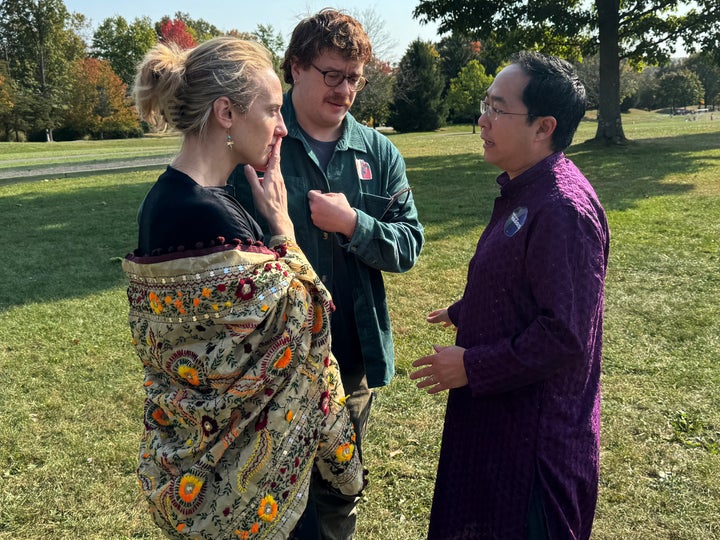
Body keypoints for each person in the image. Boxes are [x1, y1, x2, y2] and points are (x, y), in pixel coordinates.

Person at [123, 36, 364, 539]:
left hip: (204, 469)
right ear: (226, 113)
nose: (281, 126)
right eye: (272, 110)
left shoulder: (163, 200)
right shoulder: (209, 215)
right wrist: (284, 231)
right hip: (248, 484)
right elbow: (310, 320)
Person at [229, 9, 424, 539]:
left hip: (348, 357)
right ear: (296, 68)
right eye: (332, 75)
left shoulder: (378, 152)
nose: (345, 90)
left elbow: (409, 244)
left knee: (339, 490)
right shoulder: (257, 140)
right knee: (263, 491)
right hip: (267, 359)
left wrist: (354, 224)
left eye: (354, 78)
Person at [410, 51, 609, 540]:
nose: (482, 120)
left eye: (498, 109)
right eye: (486, 104)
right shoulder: (527, 190)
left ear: (544, 127)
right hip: (499, 427)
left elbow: (564, 336)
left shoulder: (561, 208)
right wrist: (469, 310)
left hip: (533, 449)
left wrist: (472, 366)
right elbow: (527, 284)